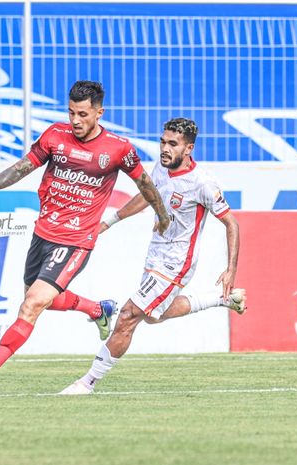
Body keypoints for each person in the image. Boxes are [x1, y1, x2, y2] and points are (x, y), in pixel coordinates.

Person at [0, 80, 170, 391]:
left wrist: (162, 215)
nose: (75, 120)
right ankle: (98, 309)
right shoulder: (55, 136)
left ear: (99, 112)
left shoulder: (118, 149)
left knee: (32, 303)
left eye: (83, 114)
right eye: (71, 112)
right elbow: (22, 168)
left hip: (75, 240)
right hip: (42, 233)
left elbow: (146, 184)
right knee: (39, 299)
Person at [60, 117, 247, 395]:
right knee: (153, 316)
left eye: (173, 144)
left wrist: (230, 270)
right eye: (163, 141)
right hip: (155, 252)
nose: (165, 148)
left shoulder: (203, 183)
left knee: (128, 315)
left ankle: (87, 382)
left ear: (189, 148)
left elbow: (232, 223)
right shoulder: (161, 166)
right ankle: (221, 299)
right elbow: (149, 195)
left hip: (176, 263)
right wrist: (109, 222)